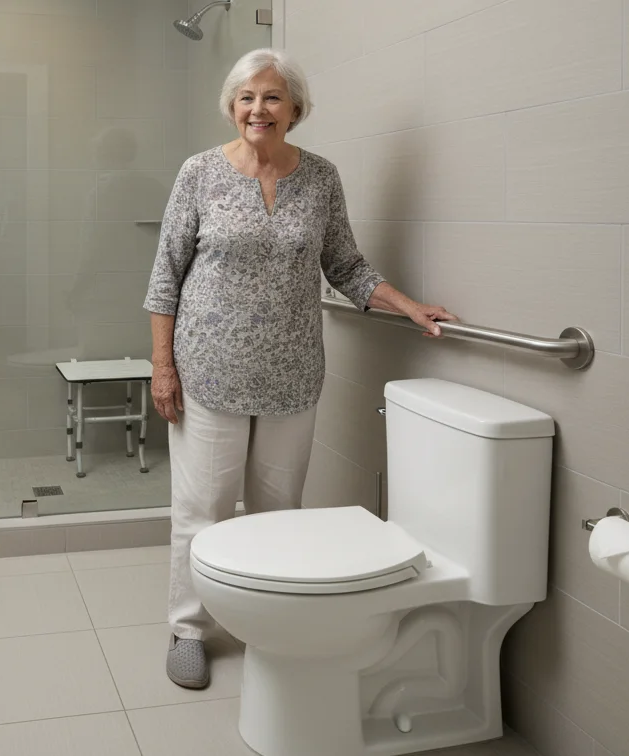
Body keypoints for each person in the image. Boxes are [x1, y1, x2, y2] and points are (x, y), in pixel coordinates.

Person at [143, 48, 458, 690]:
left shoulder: (320, 177)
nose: (258, 109)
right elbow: (165, 277)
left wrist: (410, 306)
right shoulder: (199, 173)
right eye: (247, 98)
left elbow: (345, 265)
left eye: (272, 97)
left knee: (279, 509)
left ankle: (265, 621)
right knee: (200, 509)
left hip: (292, 375)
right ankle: (188, 629)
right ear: (232, 107)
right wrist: (163, 366)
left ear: (295, 108)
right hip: (208, 370)